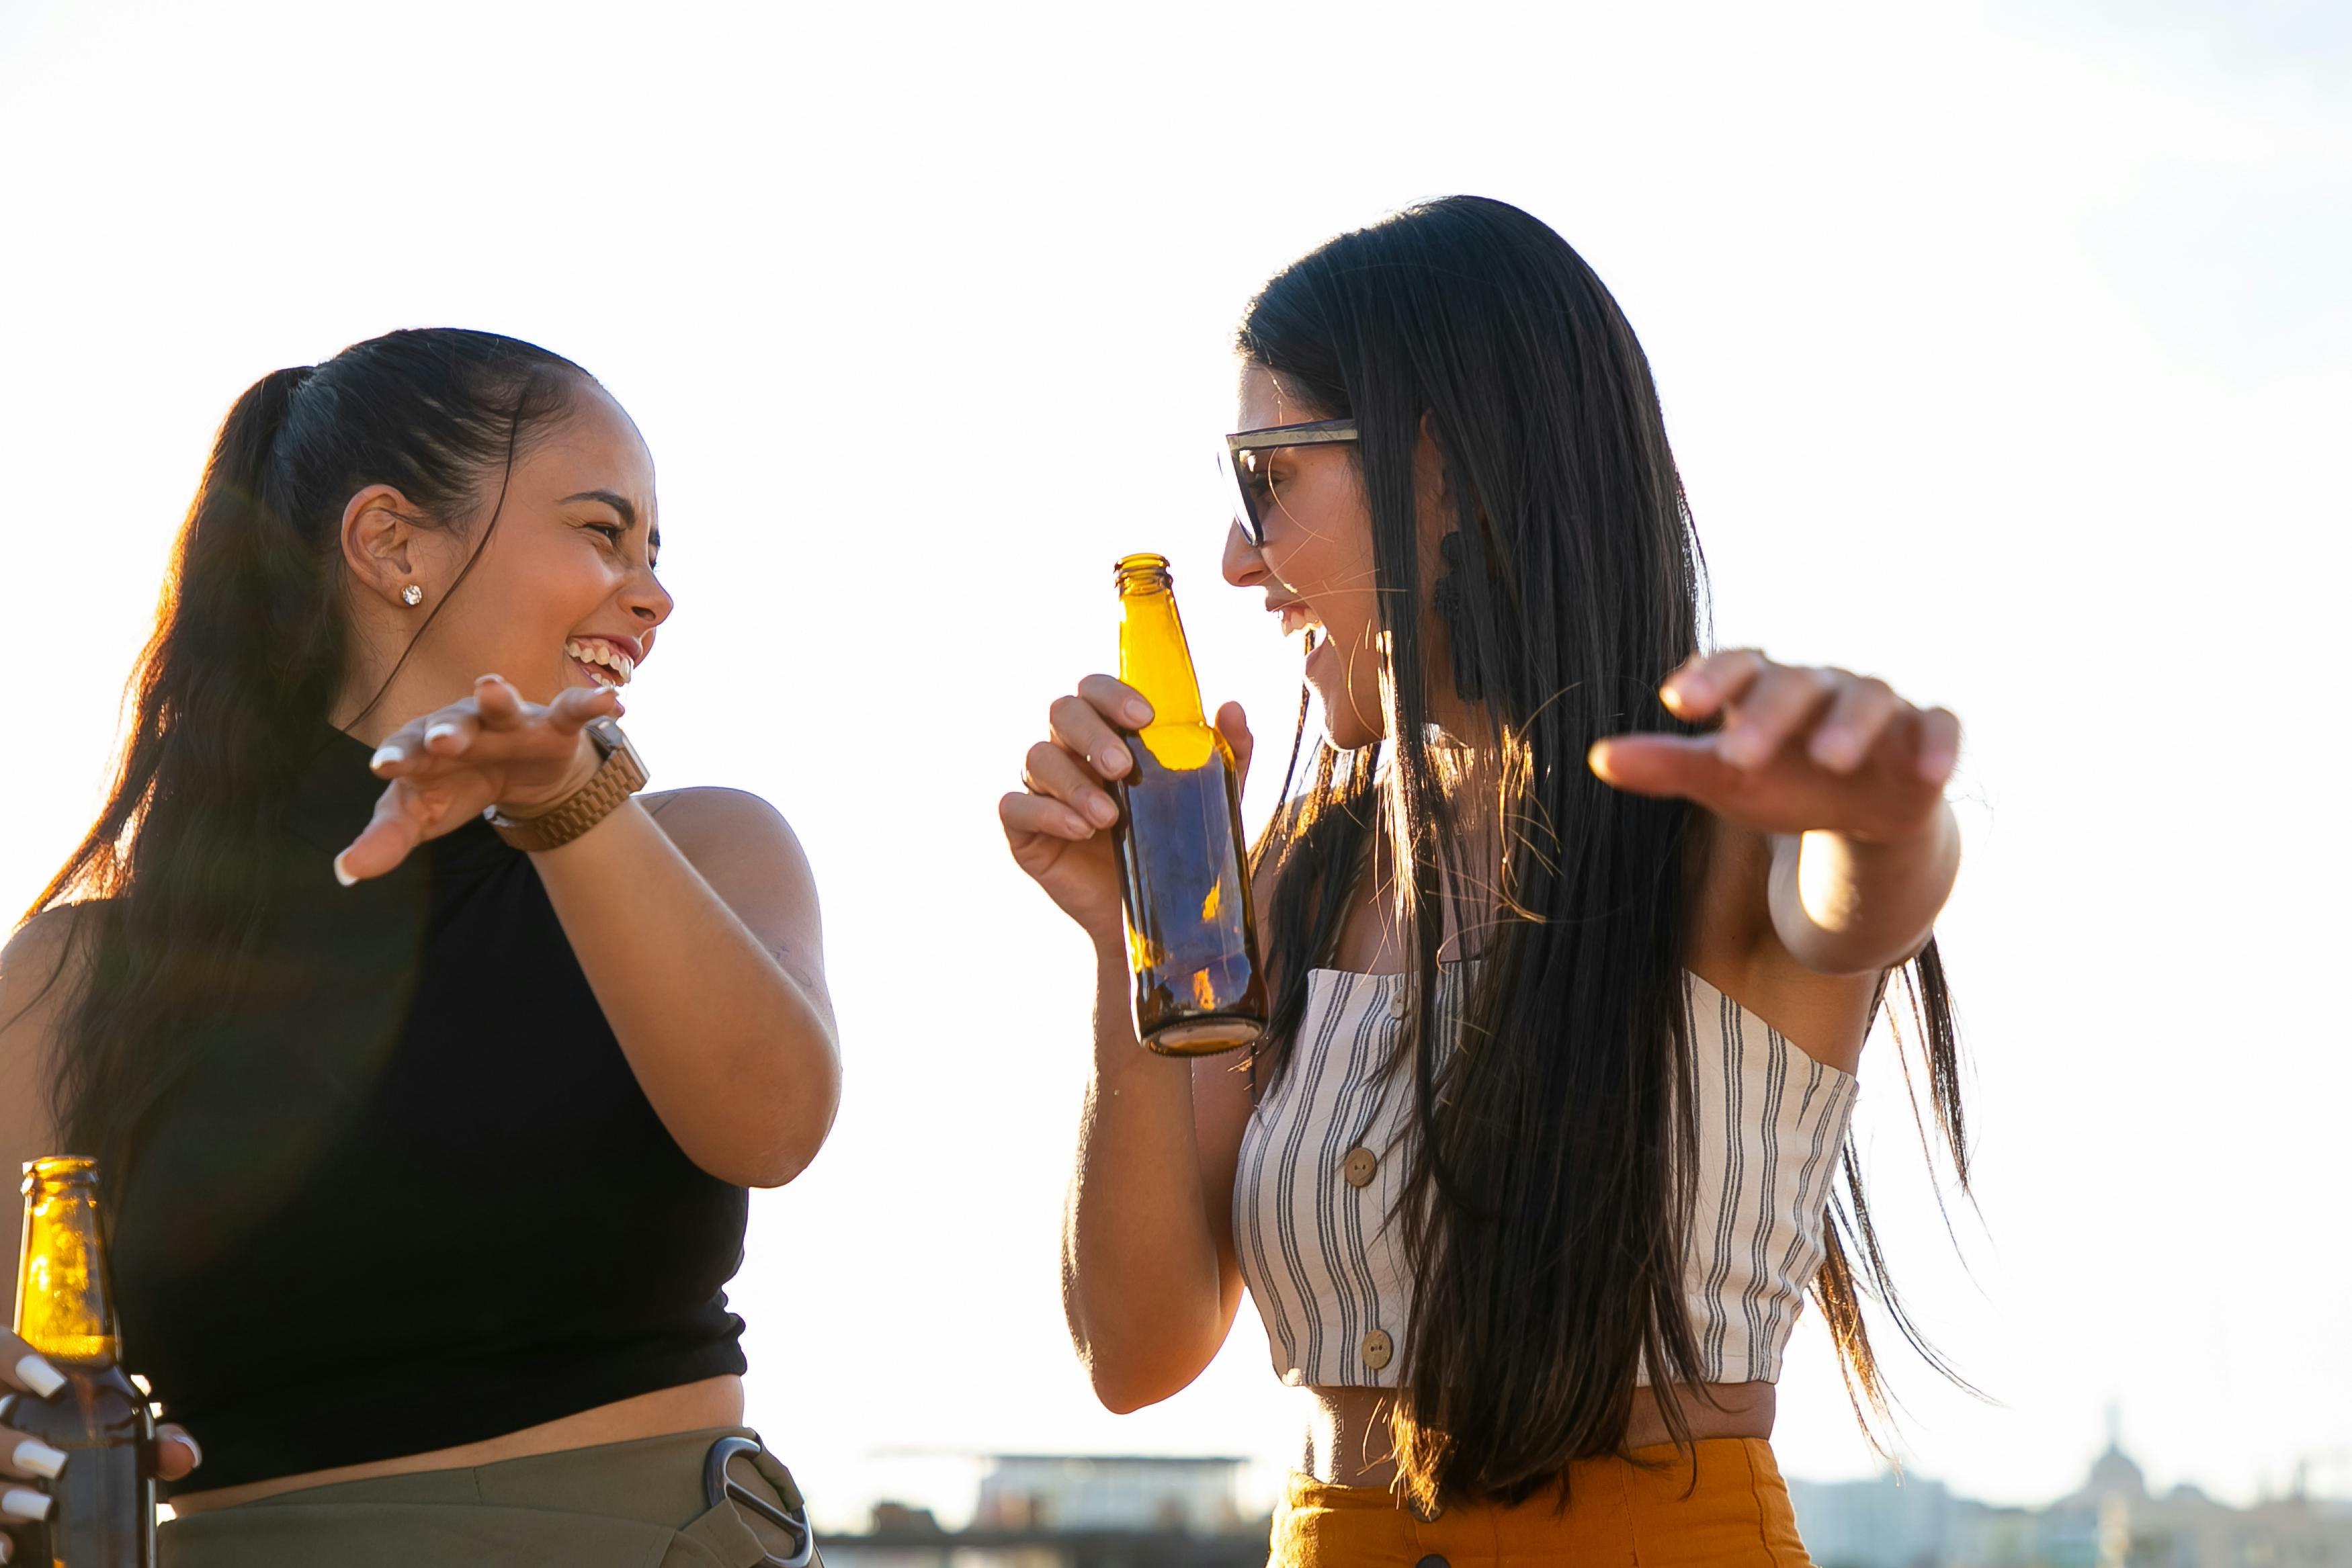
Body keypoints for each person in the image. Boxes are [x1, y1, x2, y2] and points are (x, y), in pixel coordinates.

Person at [1003, 197, 1971, 1567]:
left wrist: (1886, 814)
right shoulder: (1291, 877)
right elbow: (1135, 1349)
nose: (1234, 557)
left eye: (1264, 477)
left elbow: (1860, 899)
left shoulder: (1711, 822)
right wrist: (1130, 948)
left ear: (1443, 466)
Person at [0, 329, 839, 1567]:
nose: (654, 594)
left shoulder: (711, 849)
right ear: (392, 543)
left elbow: (774, 1124)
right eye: (603, 532)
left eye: (654, 553)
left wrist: (566, 797)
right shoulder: (70, 982)